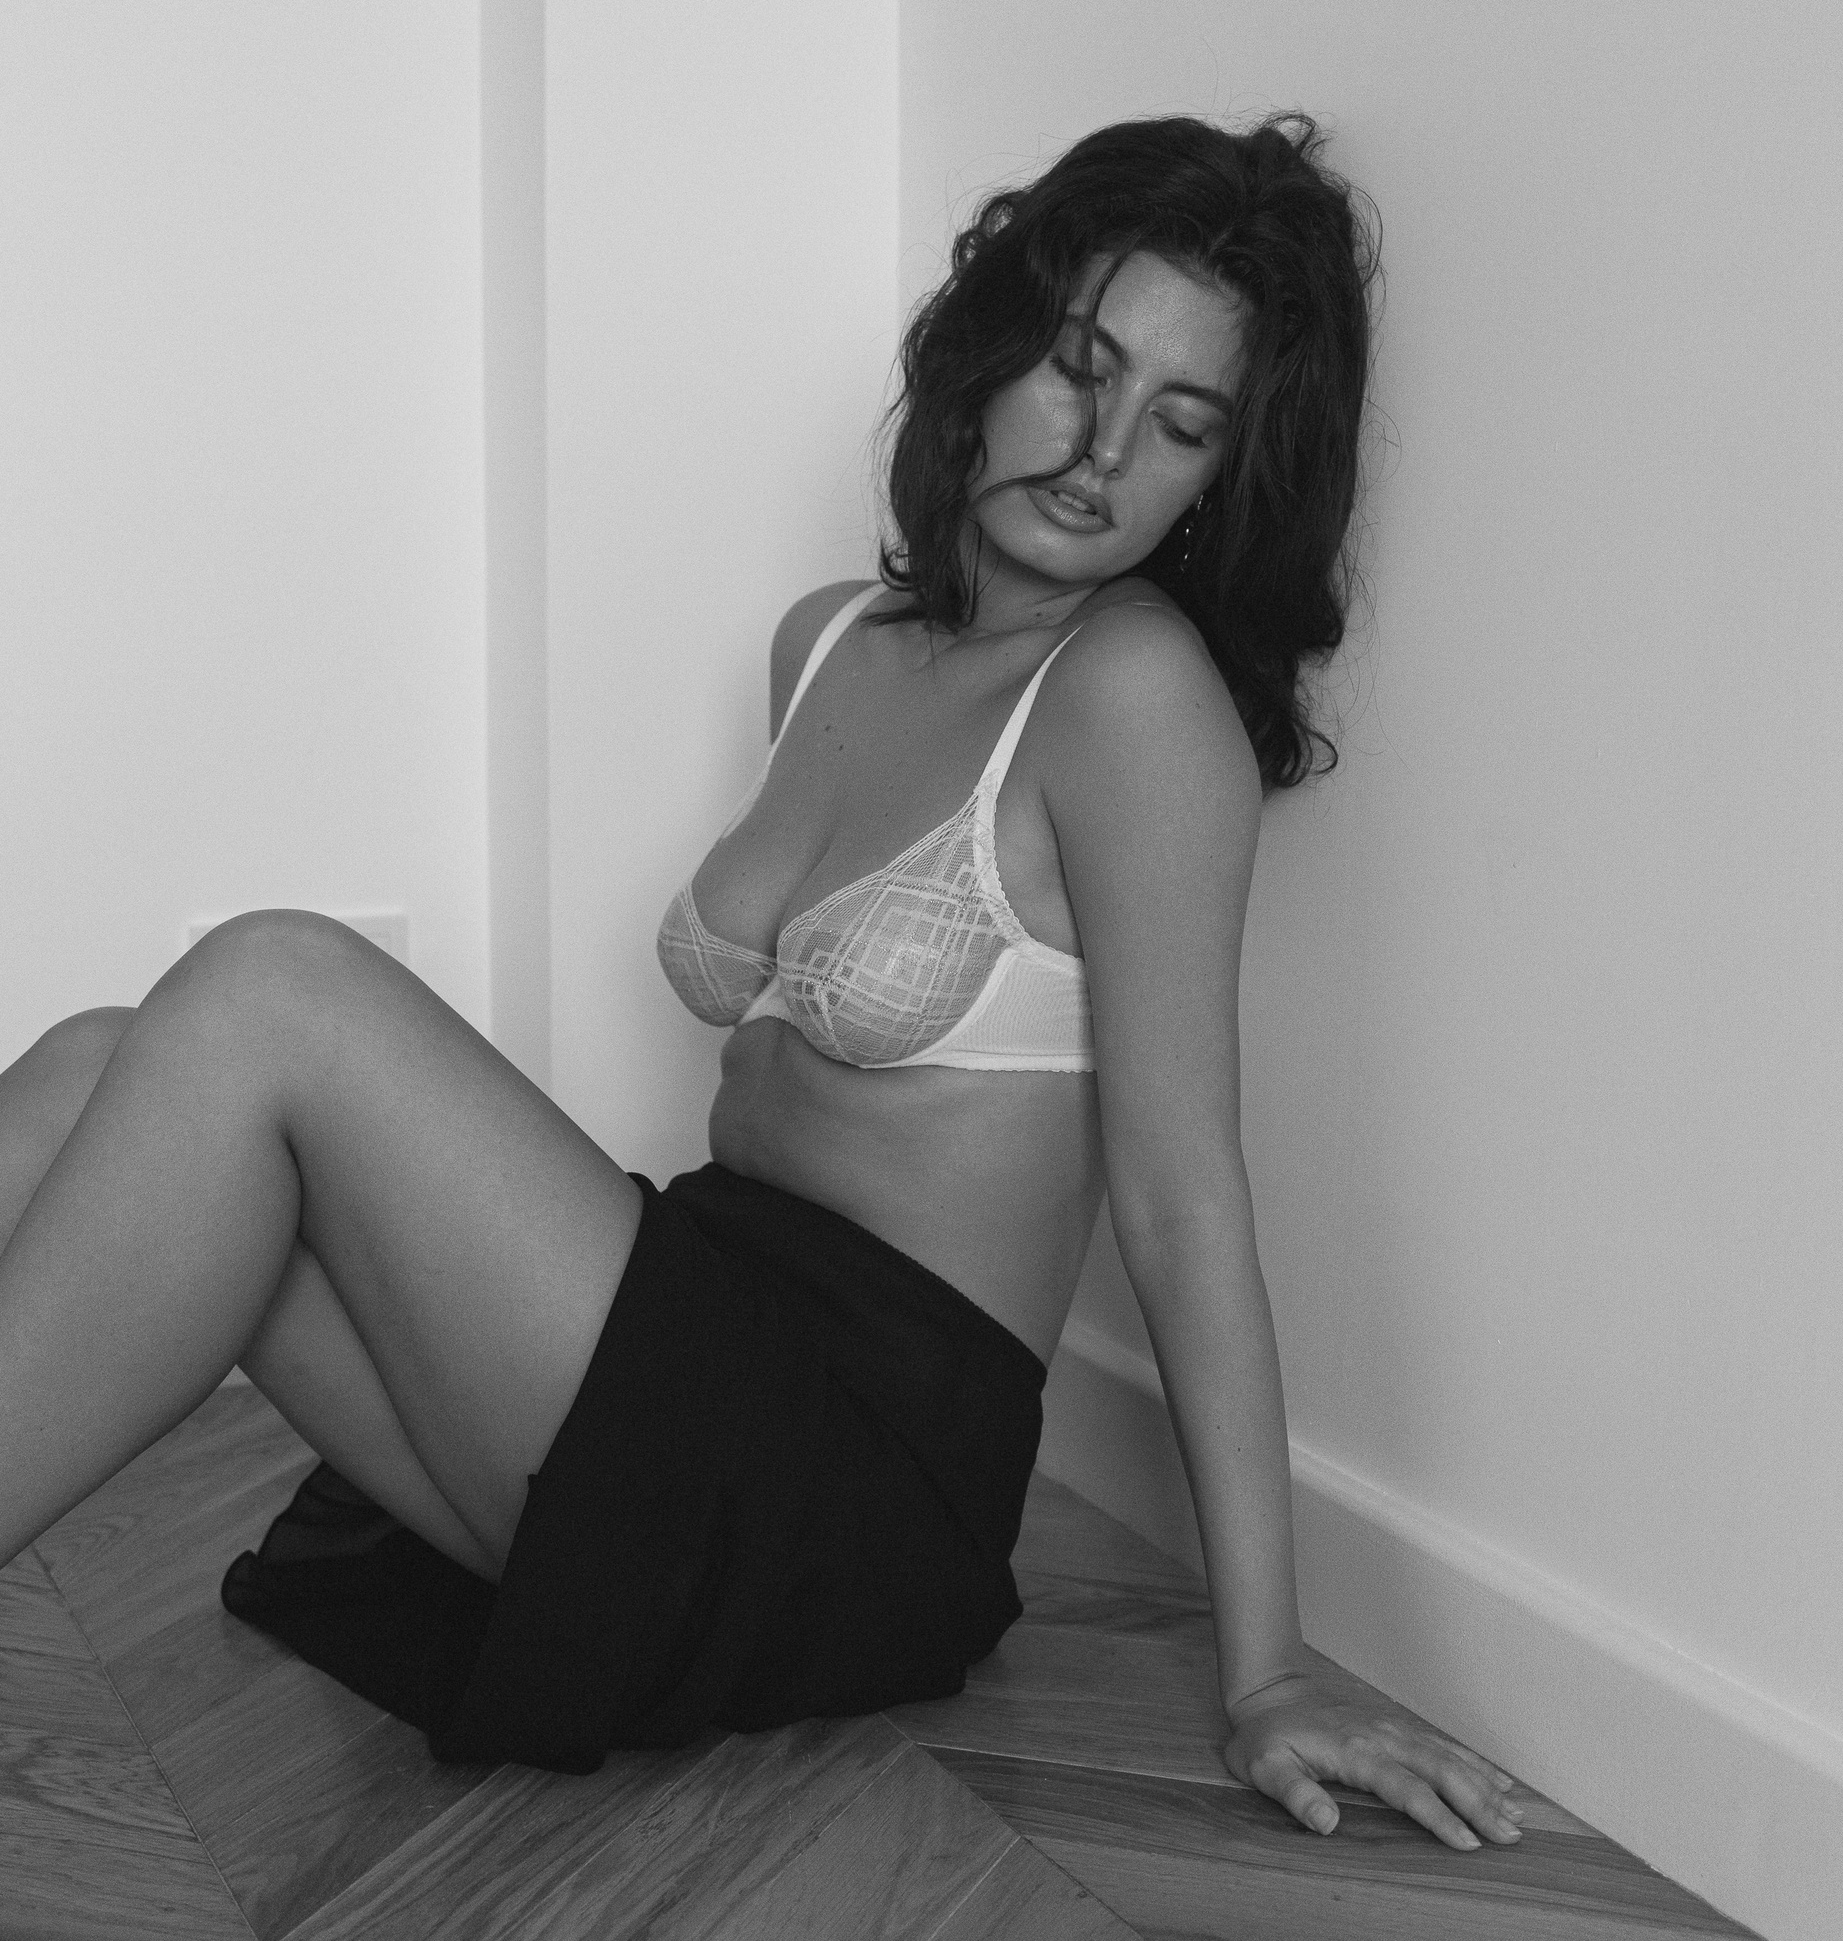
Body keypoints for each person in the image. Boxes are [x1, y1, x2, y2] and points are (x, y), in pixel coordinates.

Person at [0, 112, 1521, 1850]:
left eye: (1179, 424)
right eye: (1080, 368)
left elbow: (1183, 1200)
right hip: (701, 1323)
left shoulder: (1133, 702)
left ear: (1218, 482)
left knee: (272, 984)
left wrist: (1270, 1673)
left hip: (852, 1468)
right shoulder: (829, 642)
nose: (1103, 451)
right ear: (992, 347)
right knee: (101, 1062)